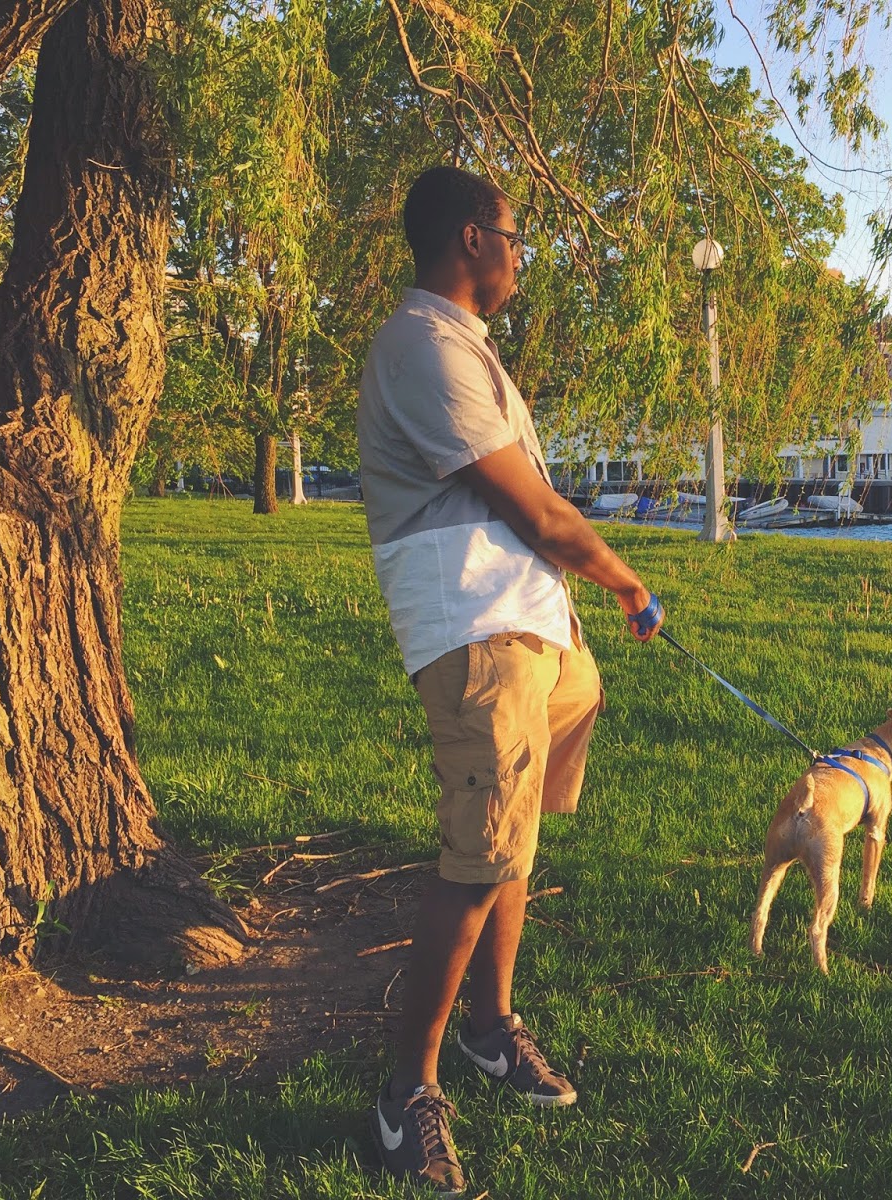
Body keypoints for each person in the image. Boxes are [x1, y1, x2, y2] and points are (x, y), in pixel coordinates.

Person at [356, 164, 664, 1196]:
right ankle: (405, 1096)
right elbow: (533, 512)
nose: (523, 255)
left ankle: (491, 1028)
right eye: (516, 236)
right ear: (472, 238)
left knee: (513, 841)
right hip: (475, 627)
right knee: (482, 850)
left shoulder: (464, 346)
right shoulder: (423, 346)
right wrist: (626, 582)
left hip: (529, 628)